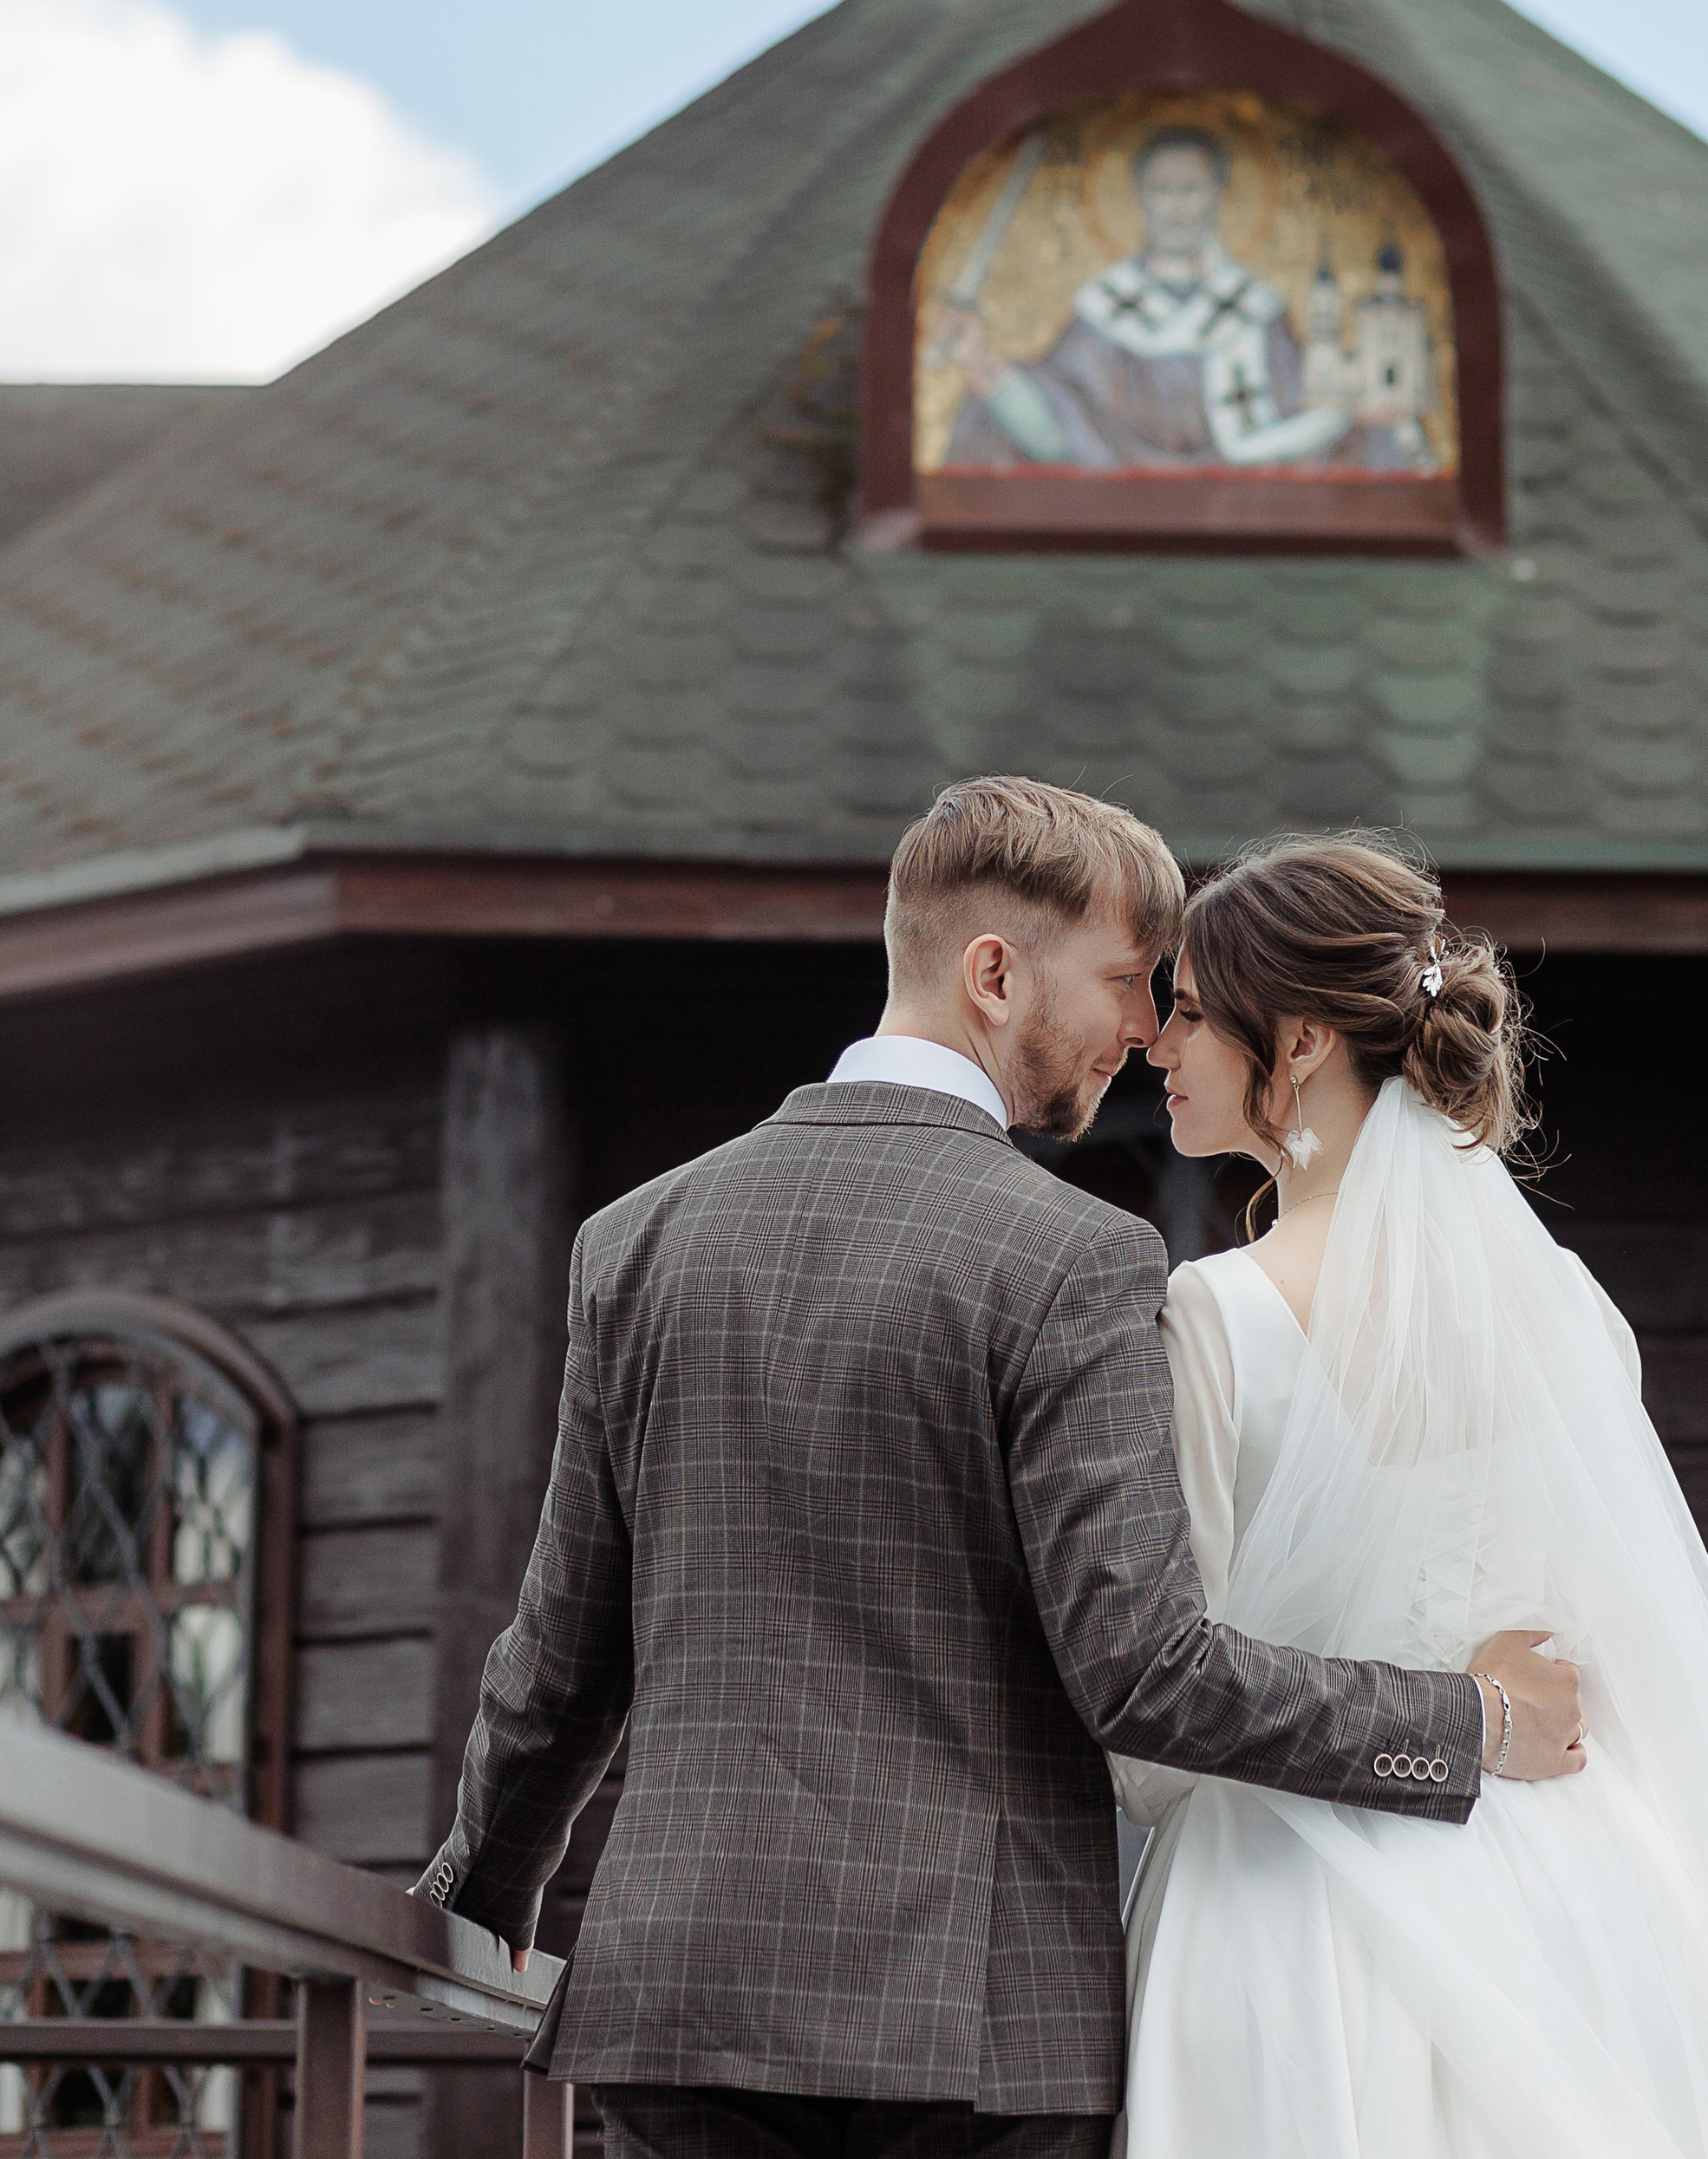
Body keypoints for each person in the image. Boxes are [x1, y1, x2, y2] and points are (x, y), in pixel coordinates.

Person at [414, 777, 1586, 2159]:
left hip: (686, 2001)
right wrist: (1465, 1723)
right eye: (1125, 981)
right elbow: (1144, 1672)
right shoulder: (1075, 1259)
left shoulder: (636, 1241)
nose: (1144, 1029)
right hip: (980, 2031)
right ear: (993, 974)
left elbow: (559, 1661)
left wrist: (473, 1895)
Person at [1120, 833, 1708, 2159]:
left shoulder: (1217, 1315)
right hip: (1570, 1907)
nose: (1158, 1047)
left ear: (1302, 1041)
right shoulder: (1573, 1315)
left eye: (1194, 1015)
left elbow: (1155, 1752)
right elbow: (1615, 1660)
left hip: (1282, 1926)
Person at [938, 127, 1424, 473]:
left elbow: (1307, 428)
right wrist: (977, 358)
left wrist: (1367, 415)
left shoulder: (1256, 311)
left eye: (1190, 189)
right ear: (1139, 197)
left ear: (1220, 195)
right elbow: (1059, 434)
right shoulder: (1104, 311)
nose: (1176, 206)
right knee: (981, 411)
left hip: (1247, 517)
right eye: (1162, 189)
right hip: (1113, 514)